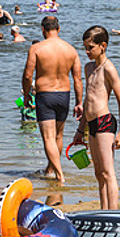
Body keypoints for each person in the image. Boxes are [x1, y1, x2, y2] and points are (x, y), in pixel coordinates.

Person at [22, 16, 83, 183]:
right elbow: (78, 79)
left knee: (48, 137)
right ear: (59, 29)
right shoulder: (70, 50)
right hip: (64, 95)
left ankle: (59, 175)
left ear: (43, 29)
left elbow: (28, 76)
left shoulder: (36, 48)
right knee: (58, 136)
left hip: (45, 94)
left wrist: (27, 95)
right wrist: (79, 102)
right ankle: (50, 169)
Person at [73, 25, 120, 210]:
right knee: (98, 173)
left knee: (108, 172)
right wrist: (80, 129)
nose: (87, 51)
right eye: (85, 47)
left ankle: (113, 212)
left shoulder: (108, 68)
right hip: (92, 123)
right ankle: (104, 210)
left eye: (90, 47)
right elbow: (88, 101)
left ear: (102, 45)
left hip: (105, 122)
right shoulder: (89, 68)